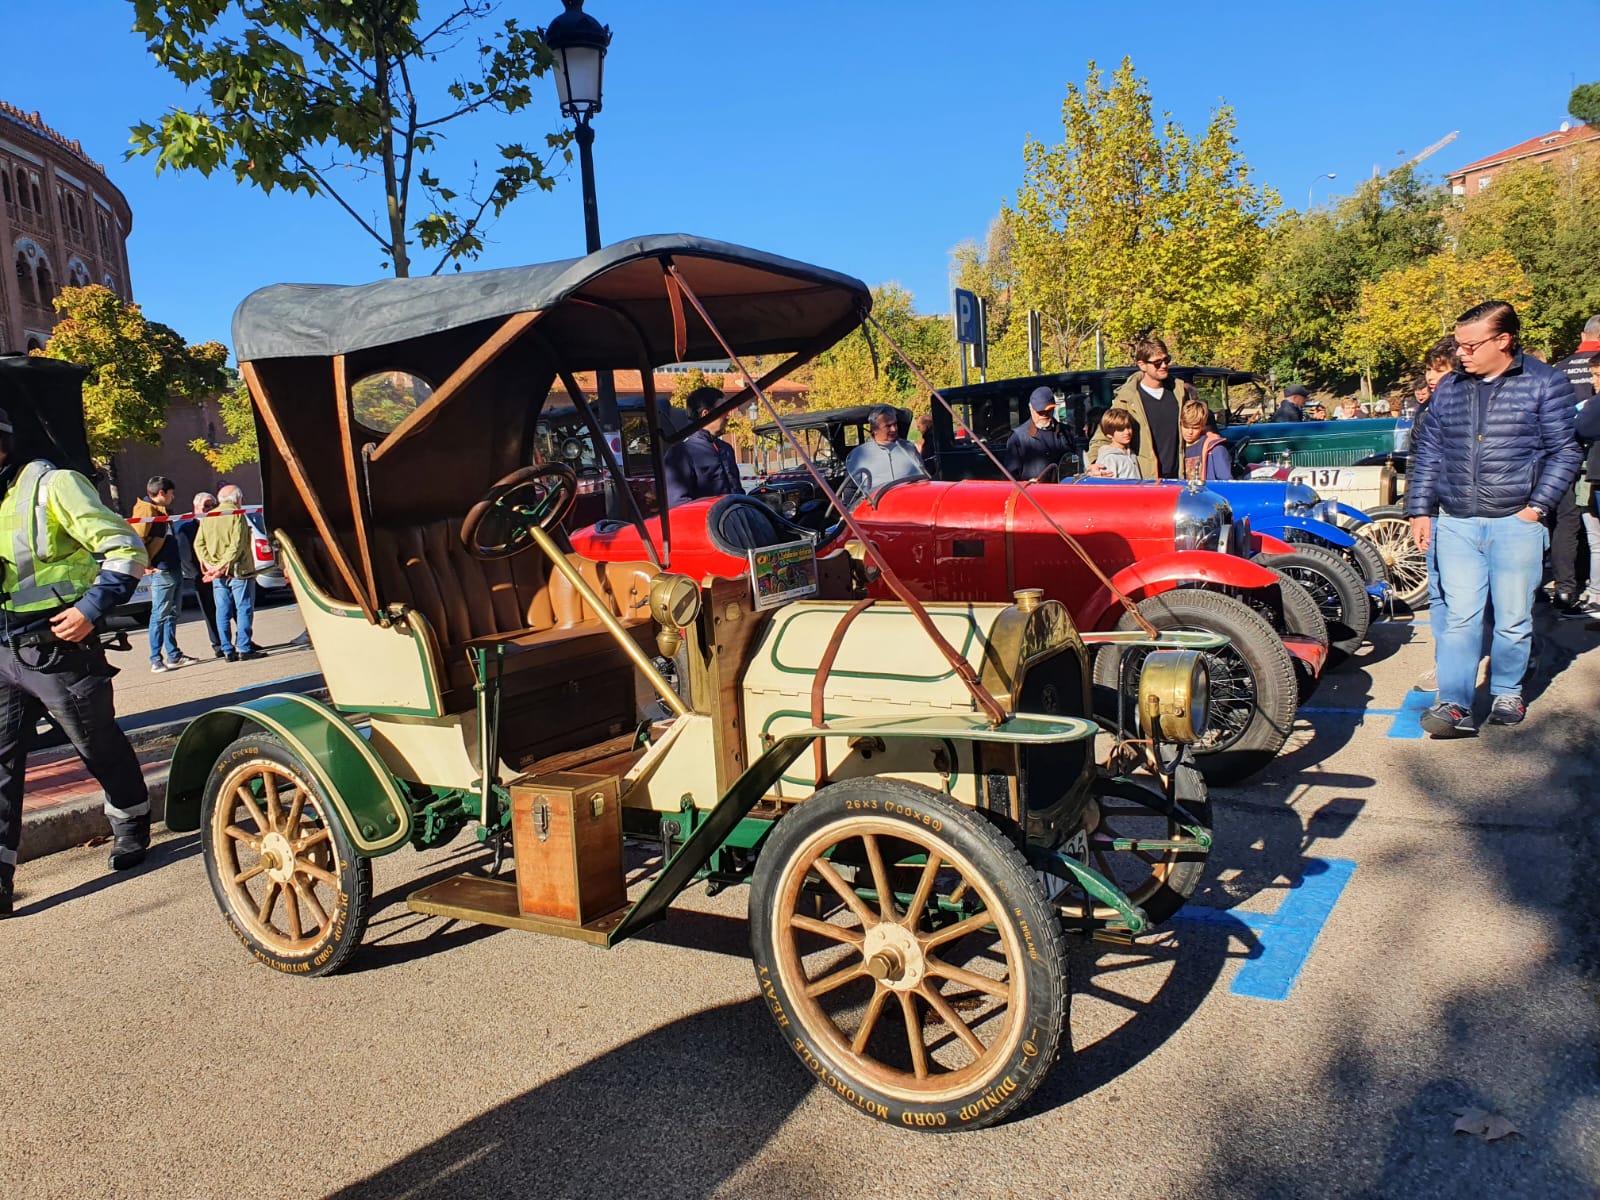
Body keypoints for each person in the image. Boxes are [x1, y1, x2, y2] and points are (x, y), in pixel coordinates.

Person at [0, 405, 153, 915]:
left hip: (59, 645)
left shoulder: (52, 484)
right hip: (3, 650)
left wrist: (90, 609)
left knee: (96, 744)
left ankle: (131, 822)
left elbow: (127, 548)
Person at [1408, 301, 1581, 736]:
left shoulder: (1546, 383)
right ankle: (1455, 705)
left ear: (1504, 340)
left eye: (1471, 345)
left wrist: (1535, 508)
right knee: (1460, 617)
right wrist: (1420, 510)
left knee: (1512, 617)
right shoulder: (1450, 389)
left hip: (1514, 521)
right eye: (1459, 344)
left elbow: (1565, 451)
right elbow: (1428, 451)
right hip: (1458, 521)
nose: (1461, 353)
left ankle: (1507, 690)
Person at [1412, 337, 1461, 692]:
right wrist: (1419, 510)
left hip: (1465, 508)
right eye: (1430, 368)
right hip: (1436, 510)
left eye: (1439, 369)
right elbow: (1420, 464)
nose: (1431, 376)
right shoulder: (1426, 410)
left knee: (1472, 595)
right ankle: (1446, 665)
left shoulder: (1464, 407)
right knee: (1439, 591)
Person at [1546, 314, 1600, 617]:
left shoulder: (1560, 369)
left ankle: (1567, 585)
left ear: (1582, 335)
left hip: (1562, 454)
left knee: (1566, 522)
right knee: (1585, 525)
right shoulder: (1594, 368)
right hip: (1588, 457)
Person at [1088, 336, 1191, 479]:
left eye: (1166, 360)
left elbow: (1197, 422)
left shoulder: (1180, 393)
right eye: (1157, 362)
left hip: (1179, 480)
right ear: (1142, 365)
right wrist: (1093, 464)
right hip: (1145, 482)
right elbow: (1102, 437)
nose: (1164, 365)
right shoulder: (1126, 399)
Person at [130, 475, 199, 673]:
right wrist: (146, 565)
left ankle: (174, 655)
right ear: (161, 493)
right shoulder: (145, 510)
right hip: (162, 570)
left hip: (173, 568)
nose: (173, 497)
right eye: (171, 493)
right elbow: (137, 540)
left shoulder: (161, 511)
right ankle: (155, 659)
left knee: (172, 614)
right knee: (159, 615)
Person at [195, 483, 266, 663]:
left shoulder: (208, 517)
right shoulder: (236, 515)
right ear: (238, 499)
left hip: (217, 574)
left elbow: (198, 544)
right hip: (238, 571)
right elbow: (237, 545)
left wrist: (211, 565)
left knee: (222, 611)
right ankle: (244, 647)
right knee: (243, 608)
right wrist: (223, 566)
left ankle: (227, 650)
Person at [664, 386, 743, 507]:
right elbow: (678, 504)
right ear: (706, 414)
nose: (728, 416)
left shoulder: (726, 449)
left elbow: (738, 491)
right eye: (724, 410)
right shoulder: (681, 453)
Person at [841, 405, 926, 503]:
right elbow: (850, 490)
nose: (894, 429)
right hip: (878, 510)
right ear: (874, 429)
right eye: (888, 426)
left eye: (895, 424)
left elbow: (923, 478)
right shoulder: (857, 456)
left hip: (913, 504)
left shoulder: (909, 448)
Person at [175, 492, 224, 658]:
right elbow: (186, 557)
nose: (209, 509)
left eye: (212, 506)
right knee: (211, 612)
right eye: (206, 506)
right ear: (196, 508)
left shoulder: (219, 525)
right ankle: (218, 644)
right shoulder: (187, 529)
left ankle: (242, 640)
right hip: (202, 578)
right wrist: (199, 576)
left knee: (230, 608)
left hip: (222, 573)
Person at [1005, 387, 1077, 480]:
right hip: (1033, 493)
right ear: (1031, 409)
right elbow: (1010, 478)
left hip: (1064, 491)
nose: (1044, 415)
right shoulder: (1017, 438)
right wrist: (1026, 484)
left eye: (1048, 411)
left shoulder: (1066, 432)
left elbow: (1075, 463)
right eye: (1040, 412)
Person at [1178, 401, 1232, 482]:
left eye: (1195, 428)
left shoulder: (1215, 449)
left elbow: (1226, 482)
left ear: (1203, 426)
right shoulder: (1174, 447)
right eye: (1186, 427)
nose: (1190, 432)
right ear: (1180, 424)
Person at [1093, 408, 1142, 479]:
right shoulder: (1109, 458)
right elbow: (1109, 485)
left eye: (1128, 427)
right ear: (1109, 434)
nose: (1127, 432)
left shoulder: (1131, 453)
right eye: (1121, 429)